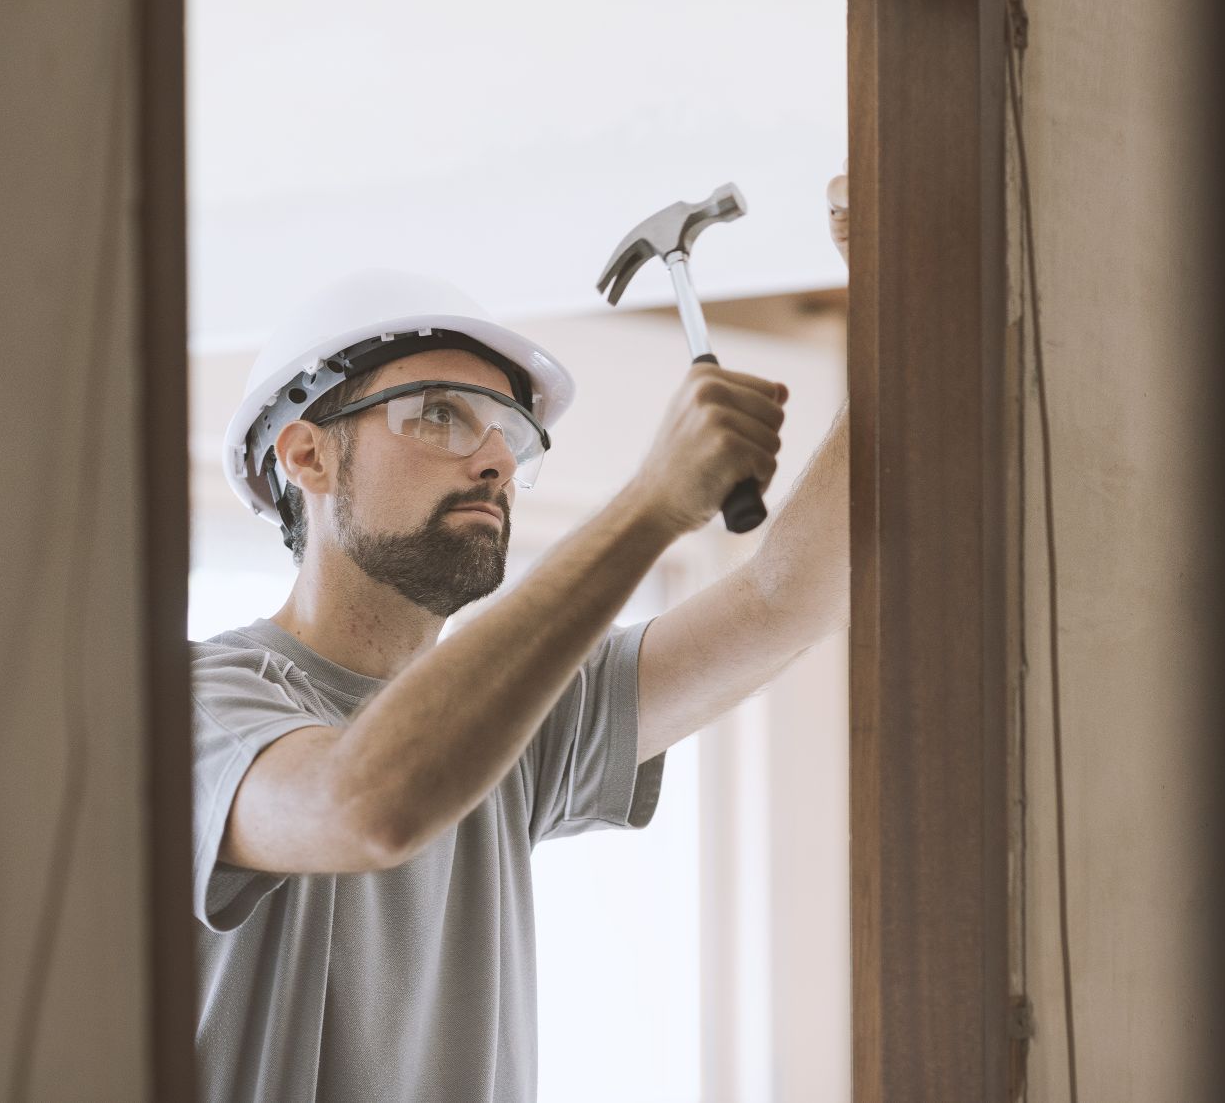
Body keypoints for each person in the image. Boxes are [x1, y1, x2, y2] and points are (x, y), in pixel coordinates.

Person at [191, 179, 850, 1101]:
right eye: (438, 413)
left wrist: (902, 307)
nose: (496, 457)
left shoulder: (514, 713)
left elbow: (787, 600)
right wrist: (651, 505)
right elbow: (365, 803)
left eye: (510, 432)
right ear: (307, 455)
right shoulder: (197, 708)